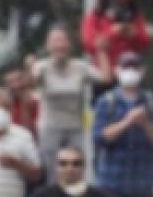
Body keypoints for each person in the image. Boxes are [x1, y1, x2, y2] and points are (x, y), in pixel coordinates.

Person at [93, 51, 153, 197]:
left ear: (142, 71)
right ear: (117, 70)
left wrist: (145, 123)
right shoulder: (106, 101)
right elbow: (99, 137)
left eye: (134, 67)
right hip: (111, 184)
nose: (130, 71)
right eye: (126, 67)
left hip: (142, 184)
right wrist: (126, 122)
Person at [30, 24, 112, 175]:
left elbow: (106, 79)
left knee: (77, 169)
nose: (59, 45)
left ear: (69, 44)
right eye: (55, 41)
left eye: (62, 41)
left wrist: (102, 51)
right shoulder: (41, 67)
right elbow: (32, 82)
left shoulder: (81, 67)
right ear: (48, 45)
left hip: (76, 127)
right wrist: (30, 69)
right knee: (53, 172)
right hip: (50, 127)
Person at [7, 145, 135, 197]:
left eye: (76, 163)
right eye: (63, 164)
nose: (70, 168)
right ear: (56, 167)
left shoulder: (96, 195)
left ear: (84, 167)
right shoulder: (43, 195)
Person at [81, 0, 151, 76]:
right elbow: (89, 43)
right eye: (117, 2)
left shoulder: (135, 17)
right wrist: (113, 32)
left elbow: (145, 43)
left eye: (124, 3)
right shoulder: (95, 17)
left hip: (129, 71)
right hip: (105, 72)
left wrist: (133, 35)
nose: (120, 6)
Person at [3, 68, 40, 138]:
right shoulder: (5, 107)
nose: (16, 85)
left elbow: (32, 132)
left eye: (18, 80)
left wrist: (25, 106)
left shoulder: (37, 103)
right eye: (10, 82)